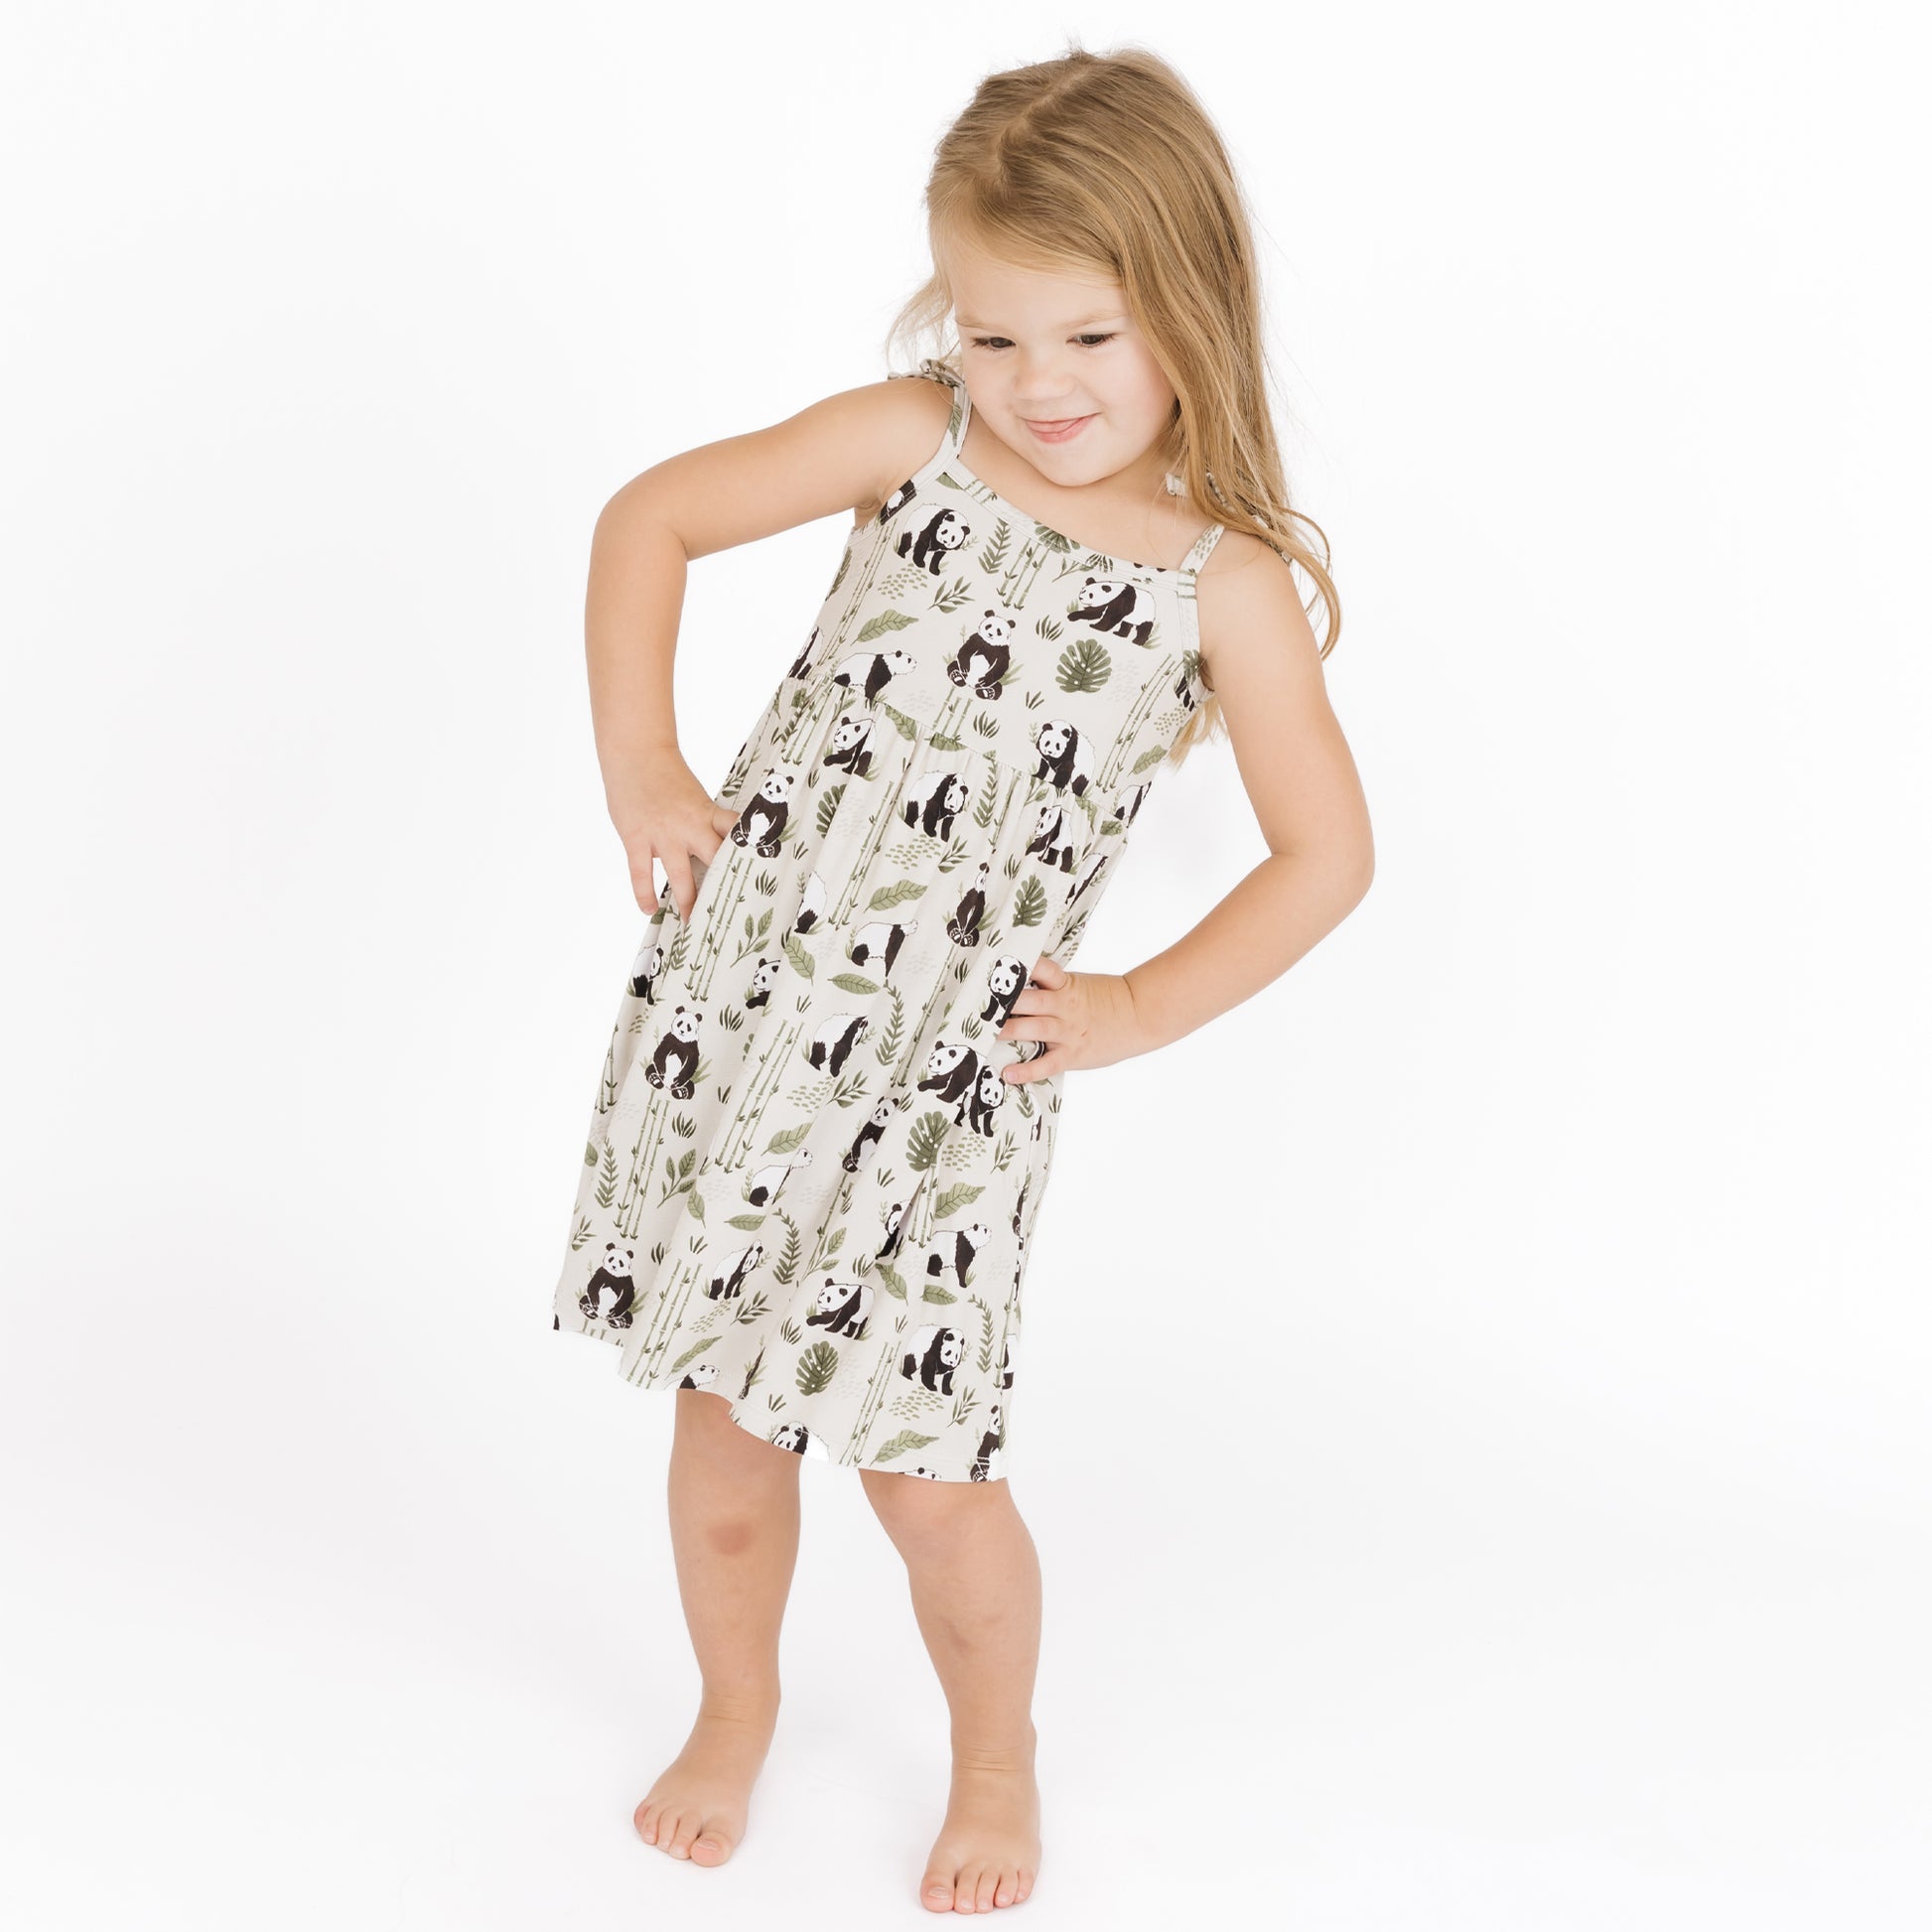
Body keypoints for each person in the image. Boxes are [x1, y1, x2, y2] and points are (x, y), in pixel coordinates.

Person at [547, 44, 1373, 1915]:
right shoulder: (908, 438)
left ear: (1187, 305)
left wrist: (1138, 1004)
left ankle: (994, 1756)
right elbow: (645, 521)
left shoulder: (1214, 585)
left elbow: (1327, 855)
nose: (1034, 387)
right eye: (993, 337)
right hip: (744, 1028)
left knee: (927, 1482)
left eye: (1083, 336)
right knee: (727, 1436)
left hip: (941, 1096)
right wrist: (644, 769)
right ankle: (734, 1704)